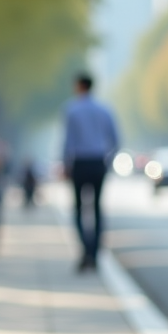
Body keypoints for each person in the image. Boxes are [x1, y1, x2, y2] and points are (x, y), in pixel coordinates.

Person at [62, 73, 119, 273]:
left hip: (80, 163)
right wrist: (107, 162)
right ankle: (94, 253)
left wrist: (65, 165)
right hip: (98, 162)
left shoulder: (72, 110)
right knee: (96, 208)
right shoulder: (105, 110)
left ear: (79, 86)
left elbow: (68, 141)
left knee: (78, 209)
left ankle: (85, 250)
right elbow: (116, 140)